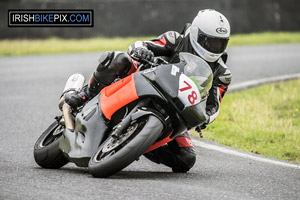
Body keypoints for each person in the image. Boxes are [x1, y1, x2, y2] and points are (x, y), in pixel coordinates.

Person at [64, 9, 232, 173]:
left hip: (176, 109)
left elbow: (214, 107)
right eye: (209, 41)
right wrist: (141, 50)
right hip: (146, 78)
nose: (214, 47)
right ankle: (85, 94)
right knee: (118, 59)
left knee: (186, 158)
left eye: (220, 43)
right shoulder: (175, 39)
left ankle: (142, 144)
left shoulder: (222, 74)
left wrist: (205, 117)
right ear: (195, 33)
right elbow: (142, 44)